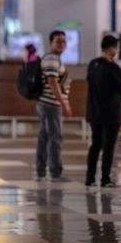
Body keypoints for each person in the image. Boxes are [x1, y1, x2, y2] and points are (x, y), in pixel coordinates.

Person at [85, 35, 121, 188]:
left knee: (95, 145)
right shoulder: (112, 67)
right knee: (108, 147)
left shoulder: (93, 64)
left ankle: (89, 178)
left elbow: (114, 81)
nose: (117, 50)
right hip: (110, 114)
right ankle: (105, 179)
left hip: (94, 112)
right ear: (111, 48)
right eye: (116, 47)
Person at [36, 30, 71, 182]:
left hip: (46, 104)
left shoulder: (53, 58)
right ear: (51, 43)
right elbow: (52, 82)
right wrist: (63, 104)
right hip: (51, 104)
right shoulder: (51, 58)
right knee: (55, 138)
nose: (61, 44)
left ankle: (41, 169)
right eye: (58, 41)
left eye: (64, 41)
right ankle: (55, 172)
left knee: (45, 137)